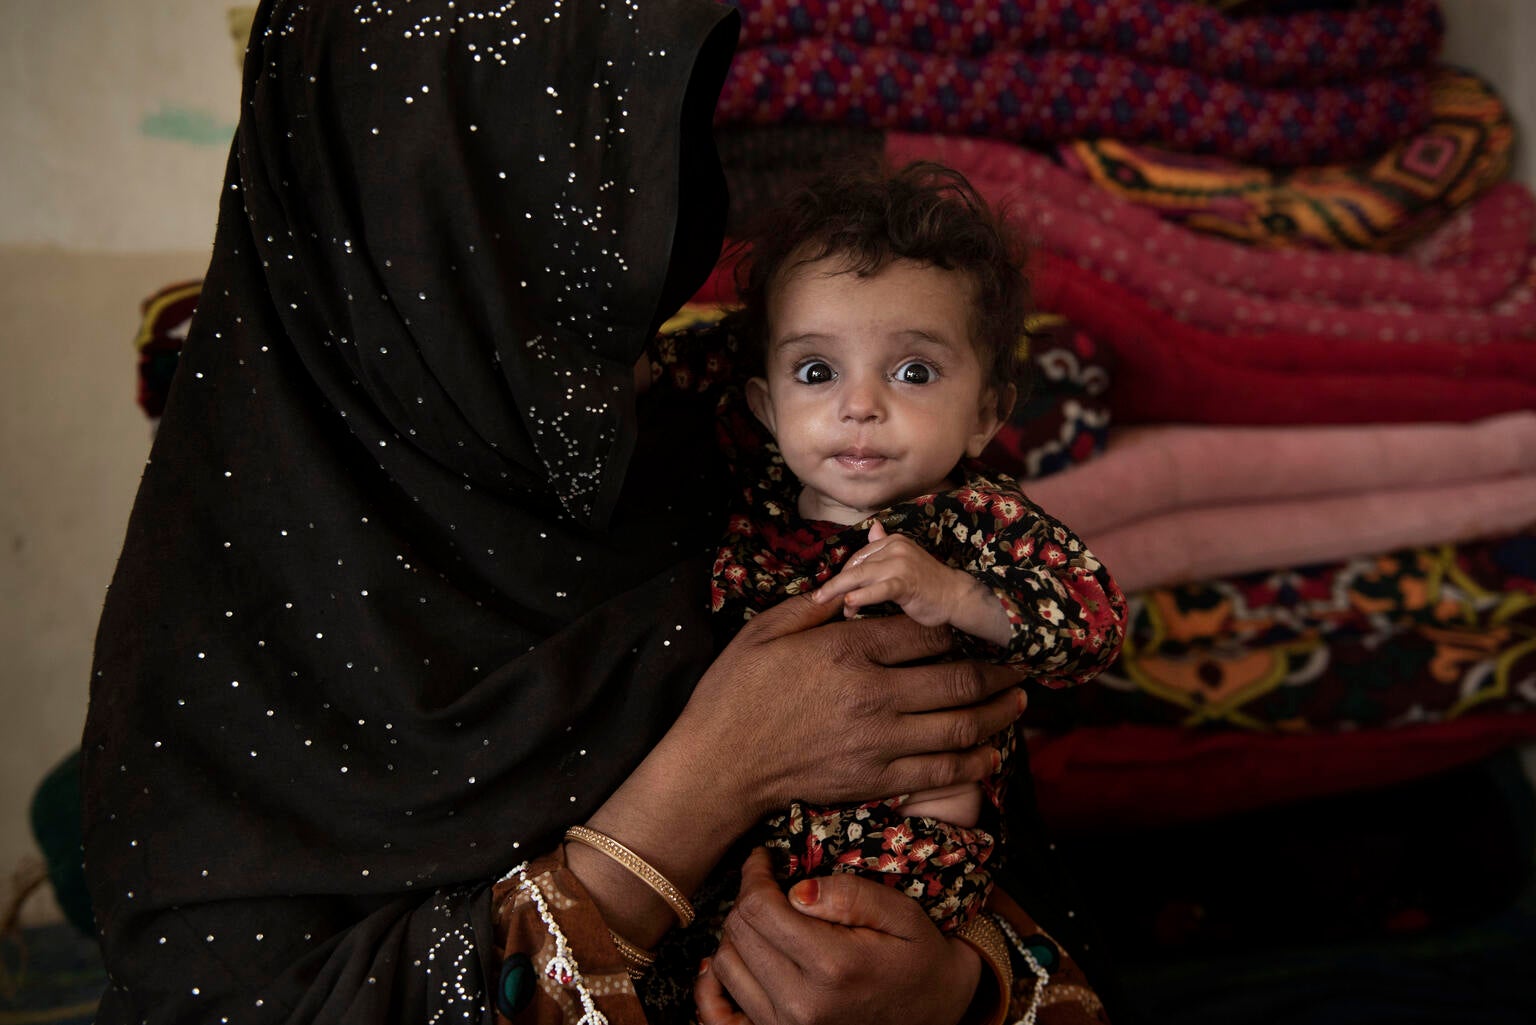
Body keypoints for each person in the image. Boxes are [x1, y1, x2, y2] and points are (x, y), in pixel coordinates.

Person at [81, 2, 1114, 1024]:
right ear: (406, 212)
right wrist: (701, 789)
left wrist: (952, 987)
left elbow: (992, 860)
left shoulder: (727, 446)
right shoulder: (230, 608)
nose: (610, 263)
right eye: (544, 196)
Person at [637, 164, 1125, 973]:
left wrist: (958, 595)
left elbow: (1094, 624)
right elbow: (685, 363)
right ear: (765, 405)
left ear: (986, 415)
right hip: (745, 846)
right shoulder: (755, 493)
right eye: (818, 372)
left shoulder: (976, 521)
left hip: (905, 861)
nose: (858, 405)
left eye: (914, 372)